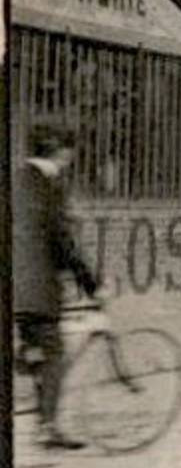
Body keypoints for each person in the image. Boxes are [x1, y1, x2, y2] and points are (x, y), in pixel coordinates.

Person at [13, 121, 99, 450]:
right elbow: (63, 244)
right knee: (54, 355)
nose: (70, 158)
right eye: (68, 151)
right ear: (61, 151)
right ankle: (48, 428)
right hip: (37, 290)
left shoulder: (16, 179)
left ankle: (27, 366)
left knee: (35, 350)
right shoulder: (49, 188)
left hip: (15, 288)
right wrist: (92, 285)